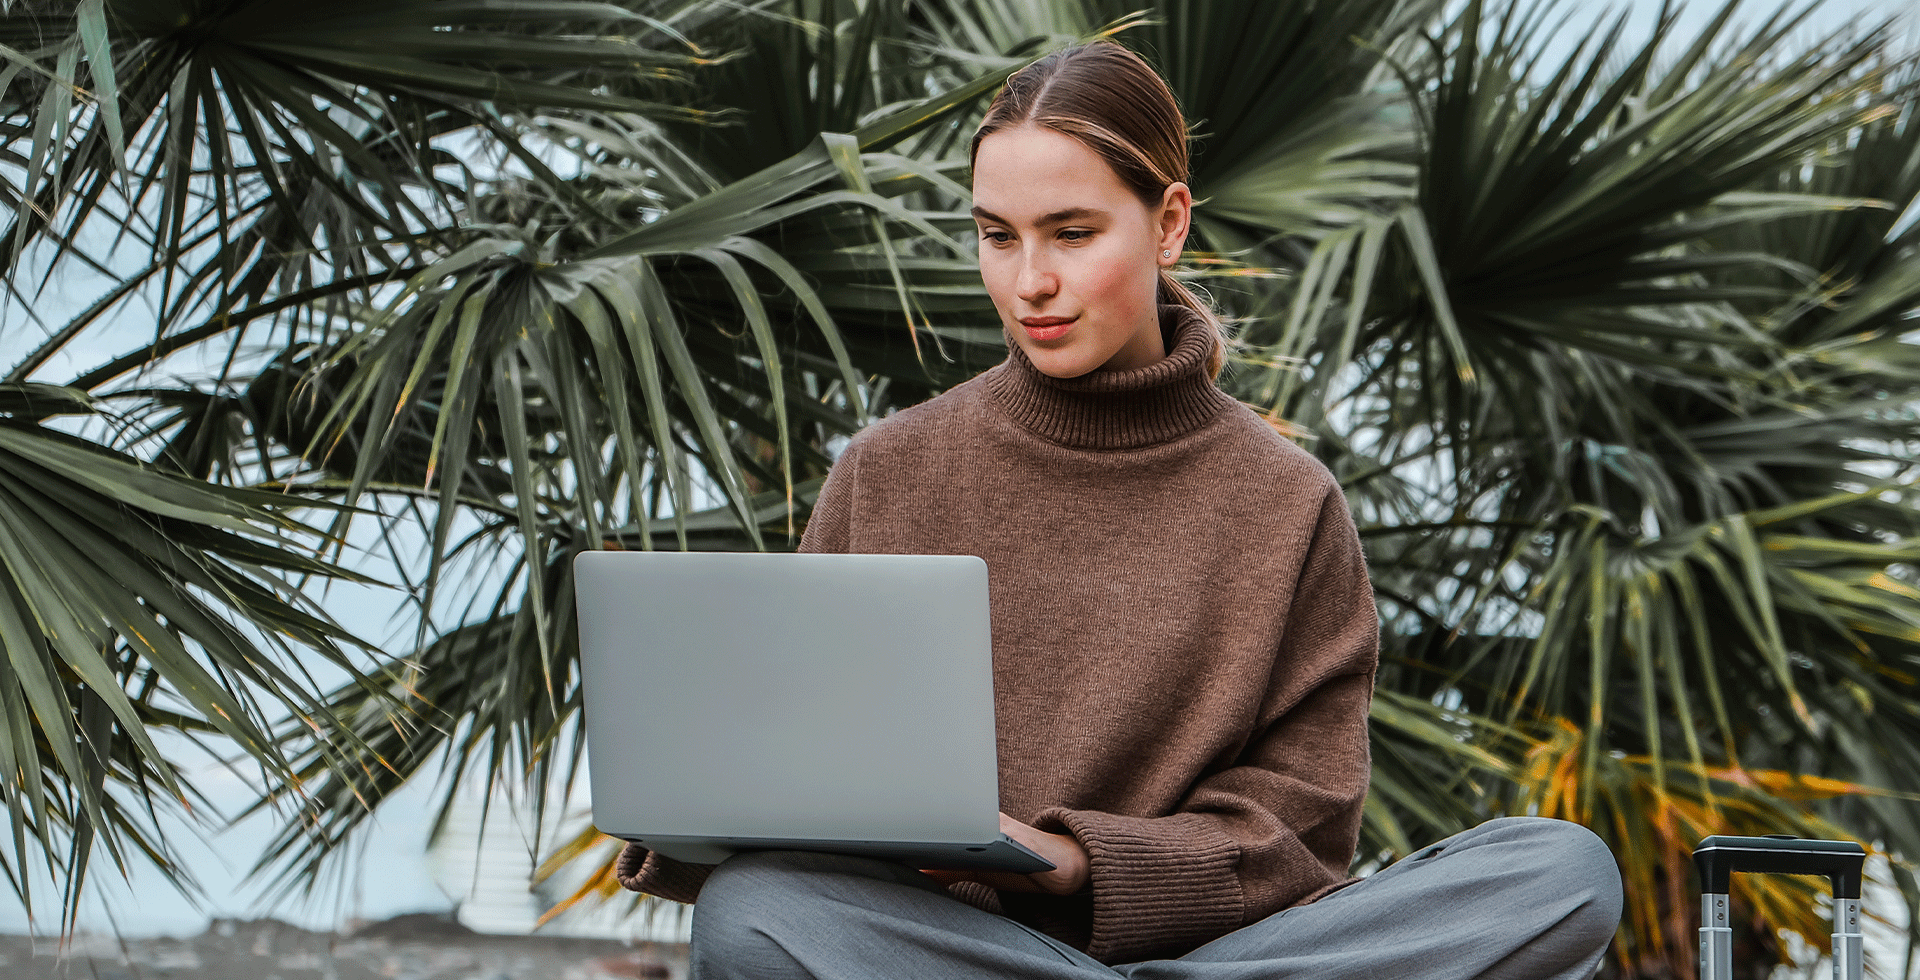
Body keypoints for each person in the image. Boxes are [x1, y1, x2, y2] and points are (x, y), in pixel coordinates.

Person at [614, 40, 1624, 980]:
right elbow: (805, 773)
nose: (1031, 282)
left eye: (1072, 233)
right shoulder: (889, 472)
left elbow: (1300, 836)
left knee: (1558, 872)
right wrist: (713, 796)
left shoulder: (1288, 501)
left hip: (1228, 951)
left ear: (1169, 222)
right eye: (997, 236)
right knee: (755, 908)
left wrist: (1081, 864)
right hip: (955, 949)